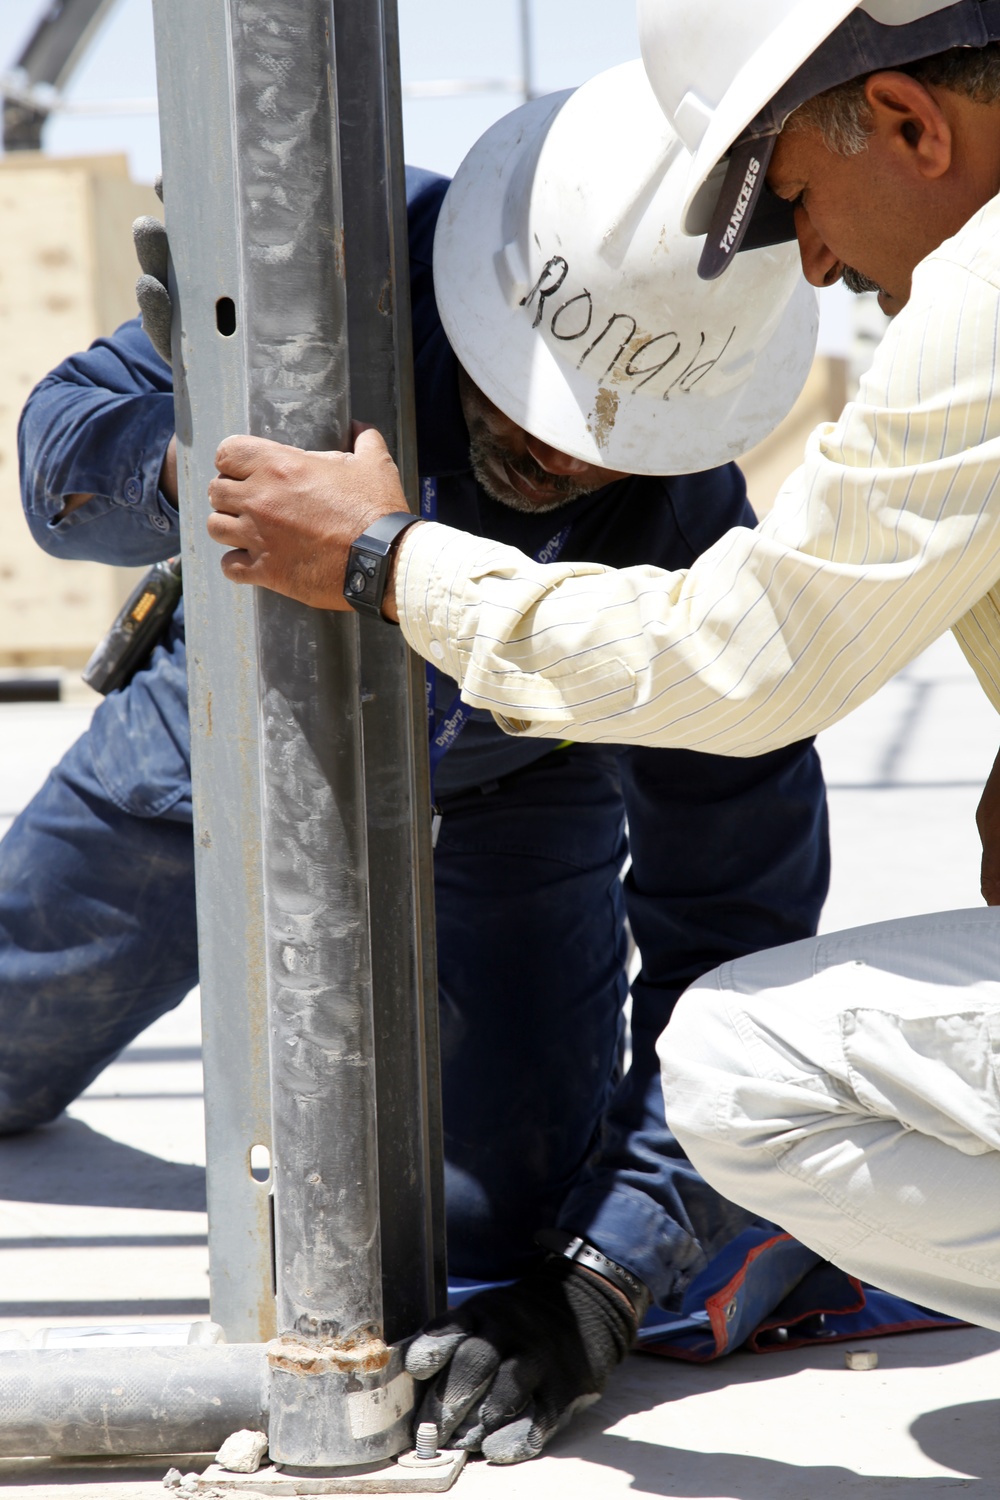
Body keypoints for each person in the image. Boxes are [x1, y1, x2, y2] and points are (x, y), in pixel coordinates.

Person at [12, 63, 844, 1465]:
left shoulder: (690, 527)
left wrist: (599, 1285)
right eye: (514, 404)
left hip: (524, 787)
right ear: (477, 292)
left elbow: (735, 930)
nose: (541, 454)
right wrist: (182, 459)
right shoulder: (329, 272)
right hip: (215, 736)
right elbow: (56, 460)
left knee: (489, 1239)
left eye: (592, 446)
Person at [204, 4, 1000, 1340]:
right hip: (211, 777)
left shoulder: (979, 302)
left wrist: (388, 562)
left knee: (738, 1066)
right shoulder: (390, 258)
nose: (809, 263)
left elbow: (740, 671)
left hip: (507, 755)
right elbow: (72, 444)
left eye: (797, 195)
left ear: (913, 125)